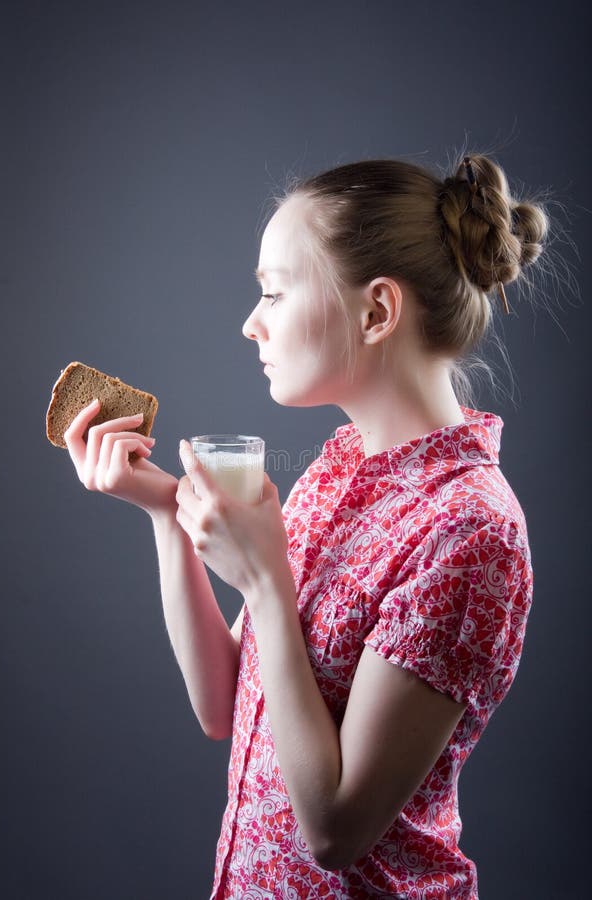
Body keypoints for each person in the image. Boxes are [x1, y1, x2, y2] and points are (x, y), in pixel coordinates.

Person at [64, 153, 549, 898]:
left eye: (275, 293)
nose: (251, 324)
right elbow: (226, 706)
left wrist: (263, 581)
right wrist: (166, 512)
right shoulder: (339, 463)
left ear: (377, 312)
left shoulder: (470, 533)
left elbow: (333, 831)